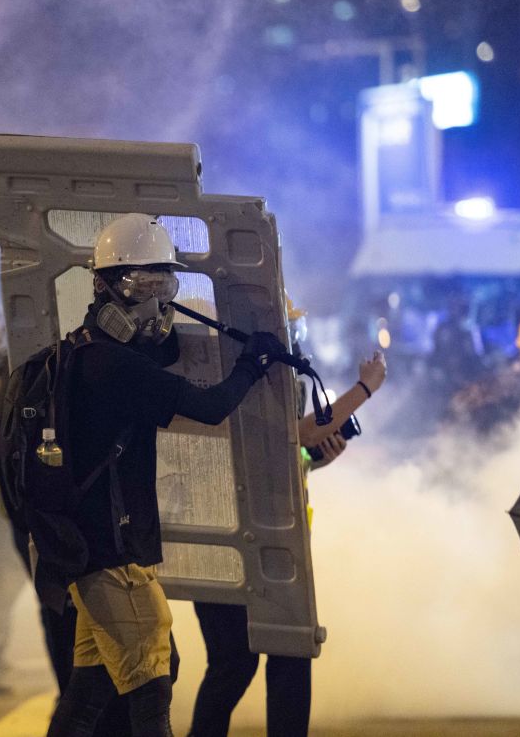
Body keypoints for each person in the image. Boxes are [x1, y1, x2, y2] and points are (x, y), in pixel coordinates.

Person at [46, 213, 288, 737]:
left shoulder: (83, 346)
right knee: (156, 678)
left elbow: (163, 350)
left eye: (164, 286)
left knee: (88, 690)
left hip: (91, 549)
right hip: (114, 554)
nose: (152, 301)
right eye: (141, 285)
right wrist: (253, 362)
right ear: (104, 284)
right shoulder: (115, 367)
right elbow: (210, 407)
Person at [189, 297, 388, 737]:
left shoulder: (258, 380)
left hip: (261, 542)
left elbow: (284, 452)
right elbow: (297, 432)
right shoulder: (241, 377)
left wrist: (314, 461)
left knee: (257, 658)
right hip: (239, 543)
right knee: (251, 659)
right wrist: (366, 389)